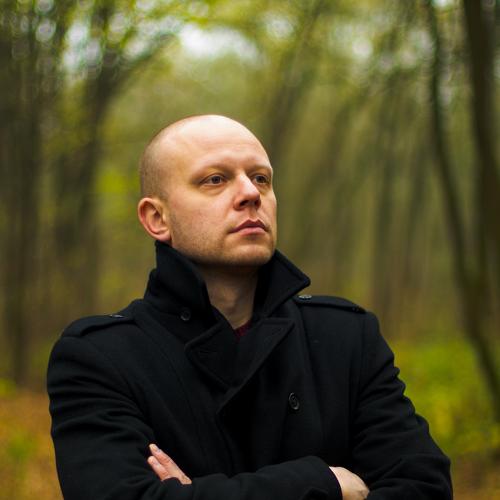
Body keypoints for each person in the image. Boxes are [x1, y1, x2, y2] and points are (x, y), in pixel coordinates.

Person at [47, 115, 452, 499]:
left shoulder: (344, 338)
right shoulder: (101, 357)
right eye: (215, 179)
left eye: (261, 178)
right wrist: (322, 482)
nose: (250, 194)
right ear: (157, 218)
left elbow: (425, 486)